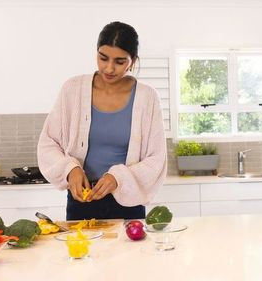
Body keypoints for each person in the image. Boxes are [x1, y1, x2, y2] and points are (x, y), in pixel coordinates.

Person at [37, 21, 167, 220]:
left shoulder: (148, 98)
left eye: (120, 61)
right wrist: (70, 169)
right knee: (81, 251)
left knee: (129, 252)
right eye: (103, 58)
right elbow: (48, 143)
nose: (109, 68)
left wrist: (118, 178)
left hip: (129, 202)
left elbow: (156, 159)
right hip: (81, 199)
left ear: (133, 60)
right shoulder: (72, 89)